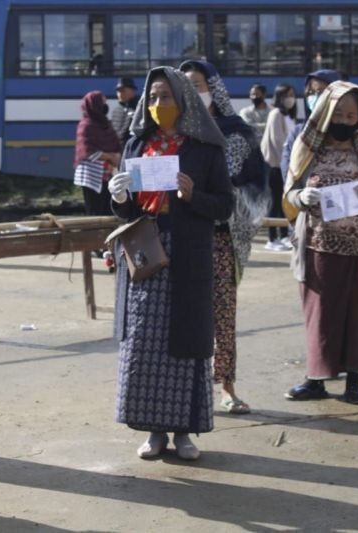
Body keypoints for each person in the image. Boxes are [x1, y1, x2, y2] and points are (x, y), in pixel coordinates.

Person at [107, 66, 232, 460]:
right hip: (145, 252)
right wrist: (119, 196)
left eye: (167, 97)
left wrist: (193, 195)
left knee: (186, 344)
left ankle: (184, 433)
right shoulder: (136, 144)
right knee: (145, 342)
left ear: (184, 101)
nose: (159, 104)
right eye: (154, 97)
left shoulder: (204, 149)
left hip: (187, 256)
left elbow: (225, 206)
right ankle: (154, 432)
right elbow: (123, 213)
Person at [282, 81, 358, 404]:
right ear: (326, 113)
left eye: (352, 116)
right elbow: (289, 192)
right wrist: (301, 197)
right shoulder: (307, 148)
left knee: (357, 314)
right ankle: (315, 380)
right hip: (319, 246)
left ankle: (353, 382)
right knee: (320, 315)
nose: (345, 122)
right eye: (340, 114)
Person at [180, 60, 269, 415]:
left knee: (222, 314)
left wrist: (222, 198)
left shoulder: (236, 132)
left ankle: (227, 386)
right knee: (182, 316)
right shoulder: (174, 132)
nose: (193, 92)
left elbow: (257, 187)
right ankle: (187, 386)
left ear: (213, 88)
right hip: (181, 236)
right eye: (186, 86)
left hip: (220, 237)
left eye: (198, 84)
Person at [280, 70, 342, 182]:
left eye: (320, 92)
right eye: (310, 93)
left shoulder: (346, 131)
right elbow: (287, 170)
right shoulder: (298, 133)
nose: (314, 97)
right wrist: (300, 193)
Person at [260, 83, 297, 251]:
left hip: (287, 165)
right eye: (287, 95)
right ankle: (272, 238)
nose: (291, 98)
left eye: (292, 94)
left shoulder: (289, 116)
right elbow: (278, 141)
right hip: (275, 165)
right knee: (275, 202)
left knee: (283, 202)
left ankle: (283, 235)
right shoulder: (276, 114)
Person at [73, 91, 121, 216]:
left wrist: (117, 157)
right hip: (92, 178)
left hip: (108, 175)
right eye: (102, 102)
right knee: (95, 213)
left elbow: (116, 145)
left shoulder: (106, 124)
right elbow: (88, 152)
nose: (105, 105)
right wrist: (111, 157)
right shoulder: (85, 126)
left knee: (108, 211)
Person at [110, 78, 139, 144]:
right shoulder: (116, 111)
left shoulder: (139, 108)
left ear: (132, 91)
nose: (120, 94)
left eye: (123, 91)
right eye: (118, 91)